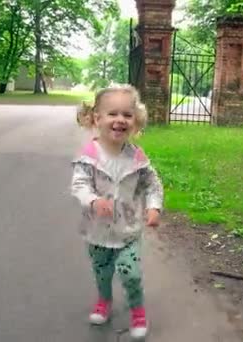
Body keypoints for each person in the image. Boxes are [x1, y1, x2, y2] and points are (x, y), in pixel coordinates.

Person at [71, 84, 164, 339]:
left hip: (128, 231)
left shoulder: (137, 158)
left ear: (136, 121)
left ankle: (138, 311)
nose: (120, 120)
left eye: (127, 114)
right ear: (97, 118)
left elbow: (152, 184)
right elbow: (79, 184)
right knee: (102, 272)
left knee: (130, 273)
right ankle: (104, 299)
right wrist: (92, 200)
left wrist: (154, 206)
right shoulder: (88, 156)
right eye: (112, 114)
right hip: (96, 231)